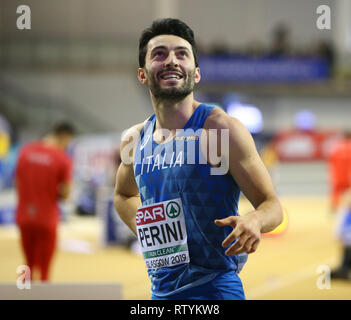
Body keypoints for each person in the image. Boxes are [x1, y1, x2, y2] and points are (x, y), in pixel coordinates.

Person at [114, 18, 283, 300]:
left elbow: (272, 205)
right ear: (142, 74)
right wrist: (148, 234)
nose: (172, 61)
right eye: (159, 54)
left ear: (196, 73)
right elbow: (122, 194)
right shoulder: (134, 139)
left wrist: (255, 219)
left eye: (182, 53)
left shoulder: (219, 129)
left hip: (214, 290)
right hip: (161, 292)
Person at [15, 122, 75, 281]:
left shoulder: (25, 152)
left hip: (25, 217)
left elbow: (17, 182)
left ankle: (23, 295)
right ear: (64, 137)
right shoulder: (62, 159)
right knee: (44, 271)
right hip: (46, 220)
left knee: (27, 264)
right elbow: (66, 194)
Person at [327, 130, 351, 280]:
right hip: (347, 193)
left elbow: (334, 176)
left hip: (343, 195)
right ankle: (345, 266)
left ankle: (345, 267)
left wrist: (334, 199)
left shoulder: (336, 149)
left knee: (344, 233)